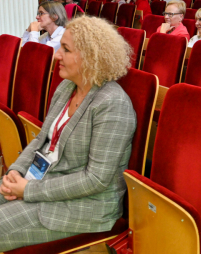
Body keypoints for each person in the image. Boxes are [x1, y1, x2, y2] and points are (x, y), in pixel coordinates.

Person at [0, 16, 136, 252]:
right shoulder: (67, 87)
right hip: (46, 182)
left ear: (90, 57)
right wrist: (16, 170)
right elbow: (41, 140)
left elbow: (96, 179)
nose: (56, 55)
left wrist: (28, 190)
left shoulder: (113, 103)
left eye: (66, 49)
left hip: (86, 206)